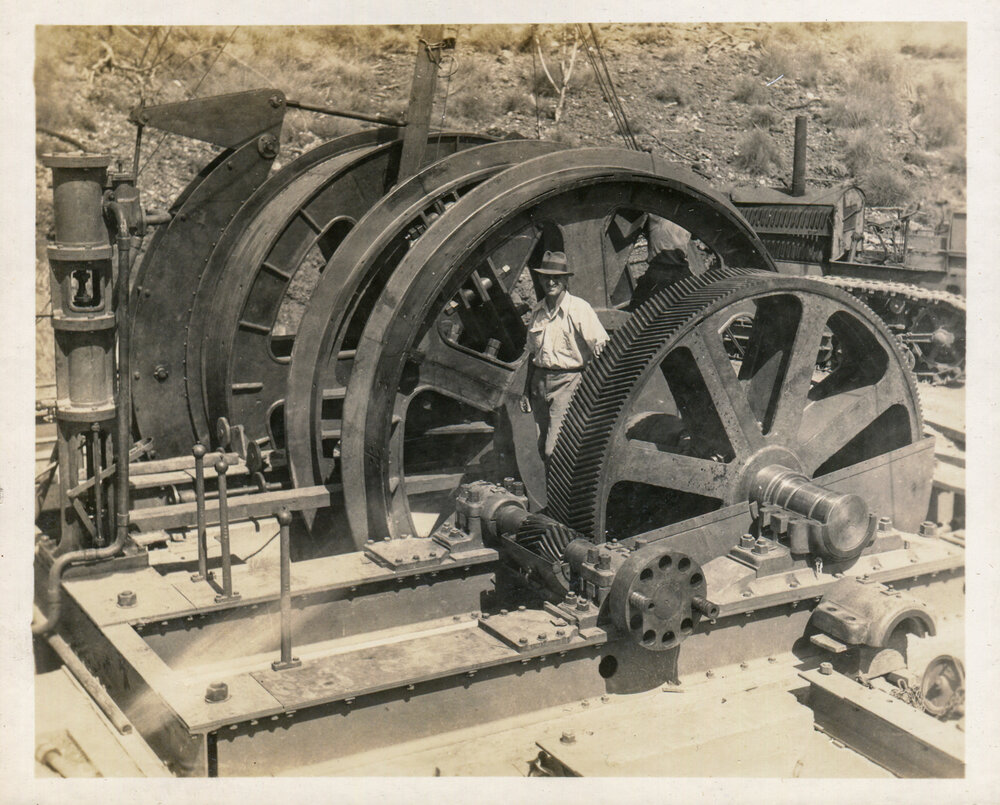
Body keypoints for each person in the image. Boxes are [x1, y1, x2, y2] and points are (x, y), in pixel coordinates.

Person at [519, 251, 609, 465]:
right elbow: (532, 354)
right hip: (539, 384)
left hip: (568, 383)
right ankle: (555, 496)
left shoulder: (579, 309)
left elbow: (601, 347)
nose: (551, 282)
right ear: (540, 279)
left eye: (556, 278)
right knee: (542, 449)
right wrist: (526, 392)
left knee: (555, 450)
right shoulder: (537, 311)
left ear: (565, 279)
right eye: (546, 277)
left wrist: (594, 387)